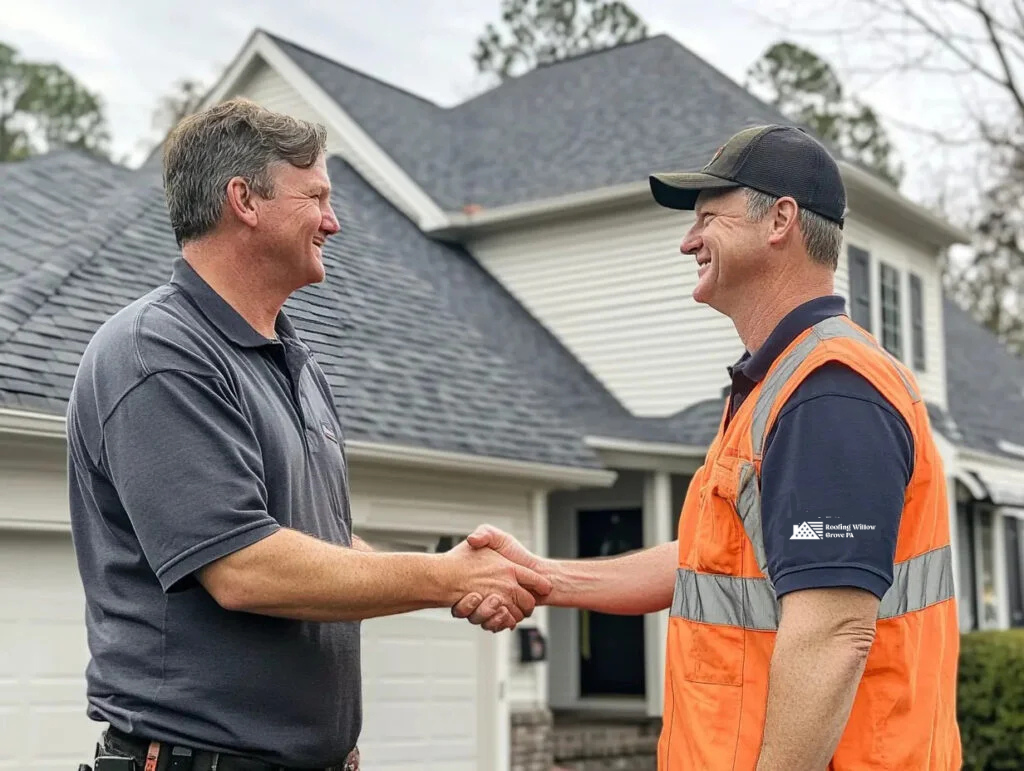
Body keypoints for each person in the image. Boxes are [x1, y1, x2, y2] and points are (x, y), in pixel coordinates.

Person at [456, 125, 962, 770]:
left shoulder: (830, 391)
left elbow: (836, 631)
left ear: (780, 220)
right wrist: (544, 577)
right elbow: (711, 565)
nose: (687, 241)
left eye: (708, 219)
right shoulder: (777, 386)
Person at [66, 98, 548, 771]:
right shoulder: (156, 354)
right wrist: (445, 576)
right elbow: (244, 568)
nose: (334, 221)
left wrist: (463, 573)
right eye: (317, 195)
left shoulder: (291, 362)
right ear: (244, 200)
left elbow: (317, 542)